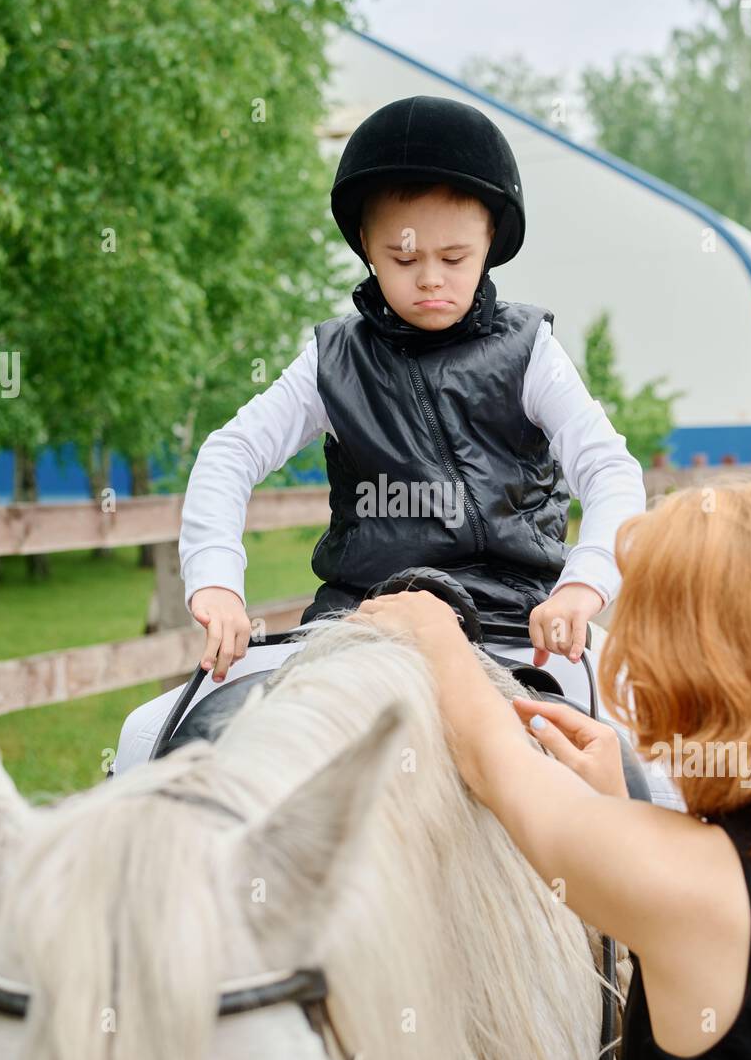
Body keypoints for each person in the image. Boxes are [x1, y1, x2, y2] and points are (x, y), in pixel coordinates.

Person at [352, 478, 751, 1060]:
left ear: (687, 670)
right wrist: (618, 814)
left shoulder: (692, 890)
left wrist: (434, 630)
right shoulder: (719, 882)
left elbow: (495, 762)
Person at [178, 94, 646, 684]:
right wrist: (216, 578)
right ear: (368, 249)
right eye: (403, 259)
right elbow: (231, 452)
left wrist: (583, 584)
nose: (430, 280)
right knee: (150, 735)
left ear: (489, 244)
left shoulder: (532, 353)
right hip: (361, 619)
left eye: (454, 257)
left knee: (642, 753)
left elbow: (609, 469)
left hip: (515, 620)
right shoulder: (331, 359)